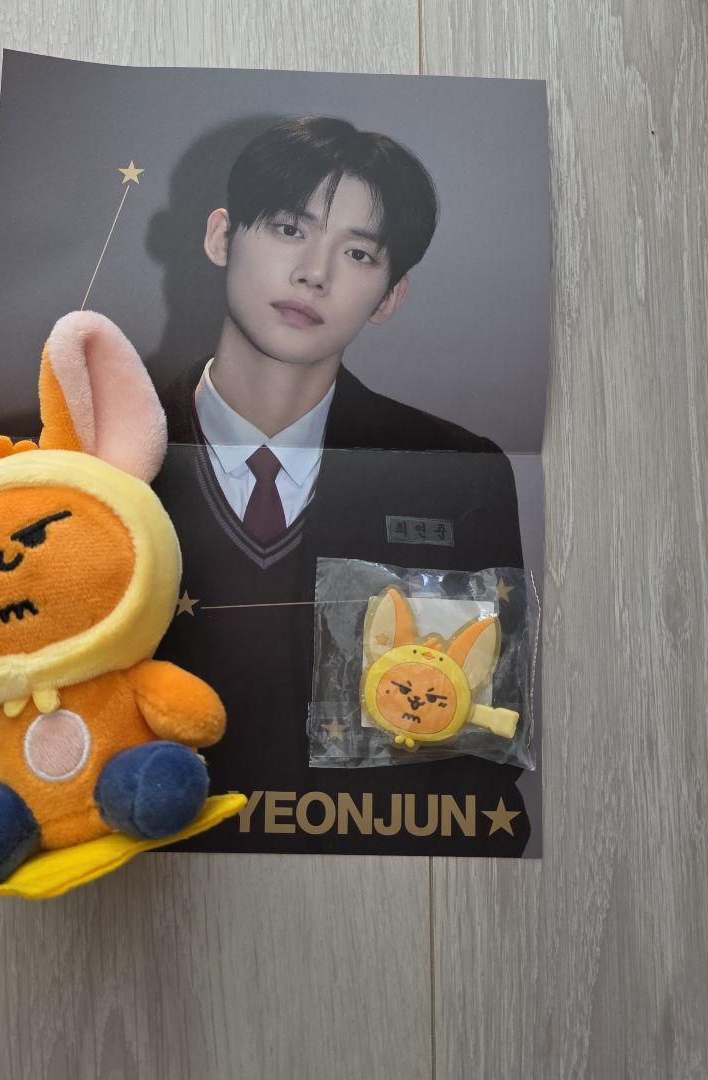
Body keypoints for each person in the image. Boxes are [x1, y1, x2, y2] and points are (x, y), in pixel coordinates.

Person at [152, 116, 531, 857]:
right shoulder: (99, 446)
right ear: (222, 237)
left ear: (389, 296)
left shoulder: (455, 472)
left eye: (358, 253)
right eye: (289, 229)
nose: (314, 273)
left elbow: (479, 752)